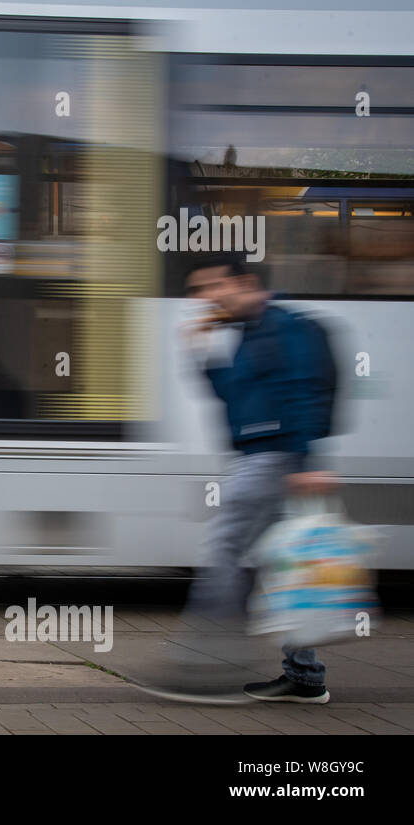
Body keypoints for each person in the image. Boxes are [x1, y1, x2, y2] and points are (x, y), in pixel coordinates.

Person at [180, 252, 338, 704]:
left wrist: (307, 460)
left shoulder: (284, 325)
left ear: (244, 281)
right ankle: (305, 676)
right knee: (279, 565)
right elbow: (228, 395)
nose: (205, 298)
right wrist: (202, 354)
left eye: (213, 287)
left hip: (274, 458)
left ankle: (202, 667)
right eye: (200, 290)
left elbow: (304, 391)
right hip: (258, 456)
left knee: (225, 550)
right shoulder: (247, 333)